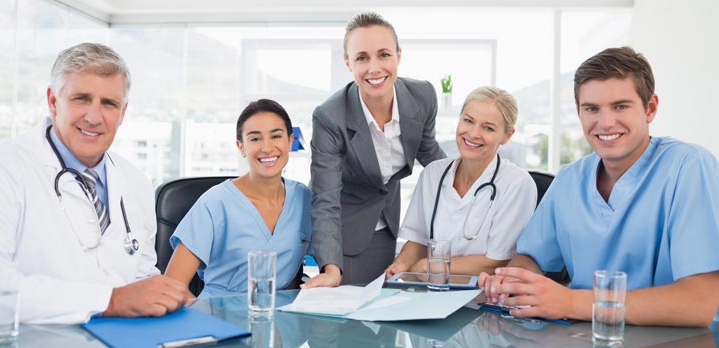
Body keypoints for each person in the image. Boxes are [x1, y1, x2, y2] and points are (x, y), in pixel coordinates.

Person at [480, 47, 719, 327]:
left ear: (650, 108)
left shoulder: (689, 167)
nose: (605, 122)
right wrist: (514, 282)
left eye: (620, 106)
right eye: (591, 108)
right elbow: (532, 256)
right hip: (581, 336)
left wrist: (570, 303)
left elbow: (699, 302)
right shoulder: (569, 179)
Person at [0, 43, 188, 324]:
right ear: (52, 101)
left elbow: (141, 273)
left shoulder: (135, 182)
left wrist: (167, 296)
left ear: (122, 113)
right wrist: (109, 300)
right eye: (81, 99)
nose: (94, 117)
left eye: (109, 103)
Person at [303, 12, 445, 288]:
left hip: (386, 224)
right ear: (348, 63)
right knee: (346, 320)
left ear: (398, 56)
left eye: (383, 55)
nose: (374, 68)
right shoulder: (330, 116)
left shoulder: (423, 96)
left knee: (383, 319)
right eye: (362, 58)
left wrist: (469, 180)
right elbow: (326, 198)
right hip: (344, 229)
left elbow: (429, 153)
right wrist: (331, 269)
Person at [165, 99, 312, 297]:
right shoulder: (215, 203)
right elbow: (172, 286)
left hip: (278, 320)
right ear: (240, 147)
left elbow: (329, 253)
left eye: (276, 136)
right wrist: (205, 320)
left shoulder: (304, 199)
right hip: (217, 317)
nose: (267, 148)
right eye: (255, 139)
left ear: (289, 141)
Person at [385, 87, 536, 278]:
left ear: (507, 136)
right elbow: (419, 239)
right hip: (431, 291)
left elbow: (497, 261)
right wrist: (399, 266)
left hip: (482, 298)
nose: (473, 133)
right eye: (468, 121)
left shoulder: (517, 184)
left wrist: (429, 266)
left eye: (488, 128)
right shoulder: (433, 173)